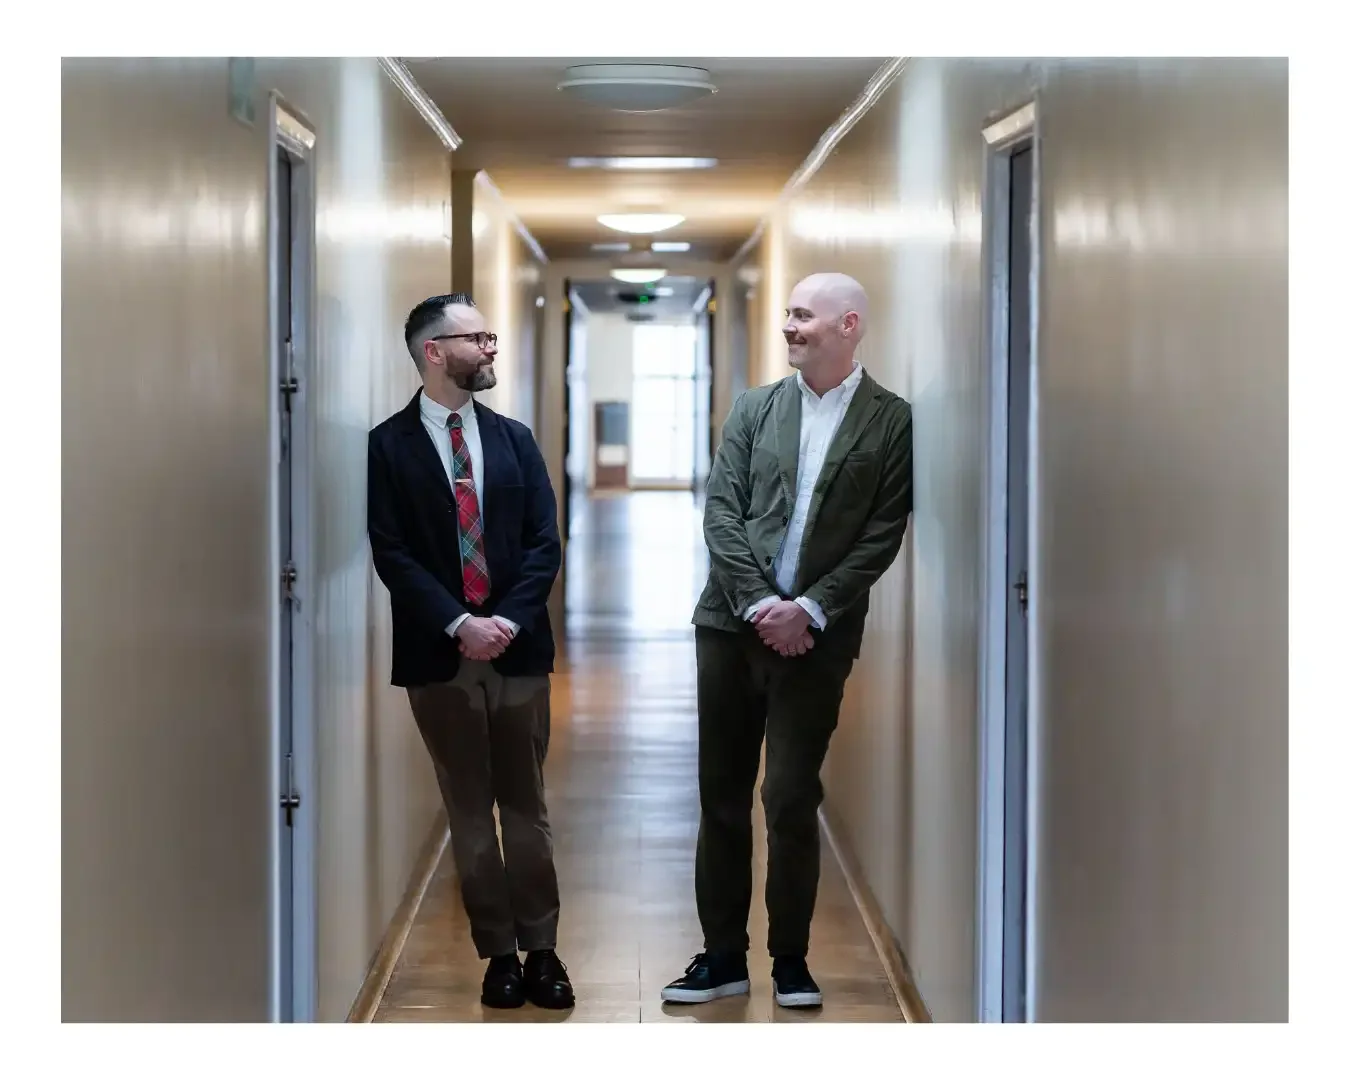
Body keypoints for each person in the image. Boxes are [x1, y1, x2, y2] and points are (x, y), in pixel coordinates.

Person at [661, 273, 914, 1010]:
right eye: (790, 316)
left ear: (849, 325)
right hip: (729, 630)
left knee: (792, 795)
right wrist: (759, 602)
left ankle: (792, 959)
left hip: (818, 640)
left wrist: (809, 608)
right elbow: (722, 511)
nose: (790, 327)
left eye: (803, 316)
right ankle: (721, 958)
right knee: (722, 796)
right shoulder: (754, 407)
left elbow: (881, 533)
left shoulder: (891, 422)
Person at [367, 293, 572, 1011]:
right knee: (467, 810)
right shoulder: (388, 447)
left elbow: (545, 542)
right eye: (476, 337)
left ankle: (543, 948)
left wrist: (507, 622)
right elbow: (392, 553)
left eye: (490, 337)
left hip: (516, 653)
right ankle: (498, 954)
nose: (490, 348)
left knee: (526, 806)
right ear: (433, 351)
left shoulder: (514, 439)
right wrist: (459, 624)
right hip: (439, 658)